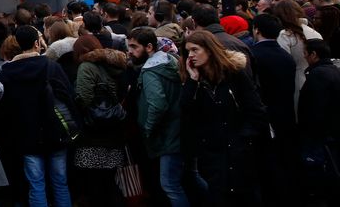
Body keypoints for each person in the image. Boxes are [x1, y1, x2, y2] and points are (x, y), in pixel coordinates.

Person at [180, 30, 267, 206]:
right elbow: (185, 110)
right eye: (188, 51)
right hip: (212, 153)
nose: (191, 55)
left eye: (195, 50)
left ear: (209, 50)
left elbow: (255, 109)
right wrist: (192, 80)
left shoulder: (234, 74)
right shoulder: (195, 80)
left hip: (239, 150)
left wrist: (244, 137)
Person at [0, 25, 73, 207]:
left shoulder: (7, 72)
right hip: (55, 131)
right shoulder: (51, 67)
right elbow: (67, 95)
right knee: (60, 183)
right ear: (37, 43)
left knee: (36, 184)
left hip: (26, 134)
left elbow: (4, 108)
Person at [126, 27, 189, 207]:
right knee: (187, 178)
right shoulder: (170, 61)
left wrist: (147, 128)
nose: (130, 51)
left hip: (167, 135)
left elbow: (157, 104)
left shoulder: (150, 71)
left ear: (149, 47)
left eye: (134, 47)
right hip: (177, 130)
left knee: (170, 184)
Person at [249, 14, 300, 202]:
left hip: (265, 117)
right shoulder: (286, 56)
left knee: (268, 164)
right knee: (285, 160)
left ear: (256, 30)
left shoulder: (254, 55)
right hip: (285, 114)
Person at [70, 35, 126, 207]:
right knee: (109, 180)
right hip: (115, 129)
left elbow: (83, 98)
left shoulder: (86, 66)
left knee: (96, 184)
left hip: (94, 133)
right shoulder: (115, 64)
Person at [299, 39, 340, 205]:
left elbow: (315, 108)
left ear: (313, 54)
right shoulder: (333, 70)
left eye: (305, 53)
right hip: (329, 131)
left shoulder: (318, 75)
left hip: (320, 135)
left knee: (319, 169)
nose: (304, 56)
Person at [271, 0, 324, 104]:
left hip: (296, 82)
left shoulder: (284, 35)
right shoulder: (314, 32)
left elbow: (283, 63)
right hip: (318, 79)